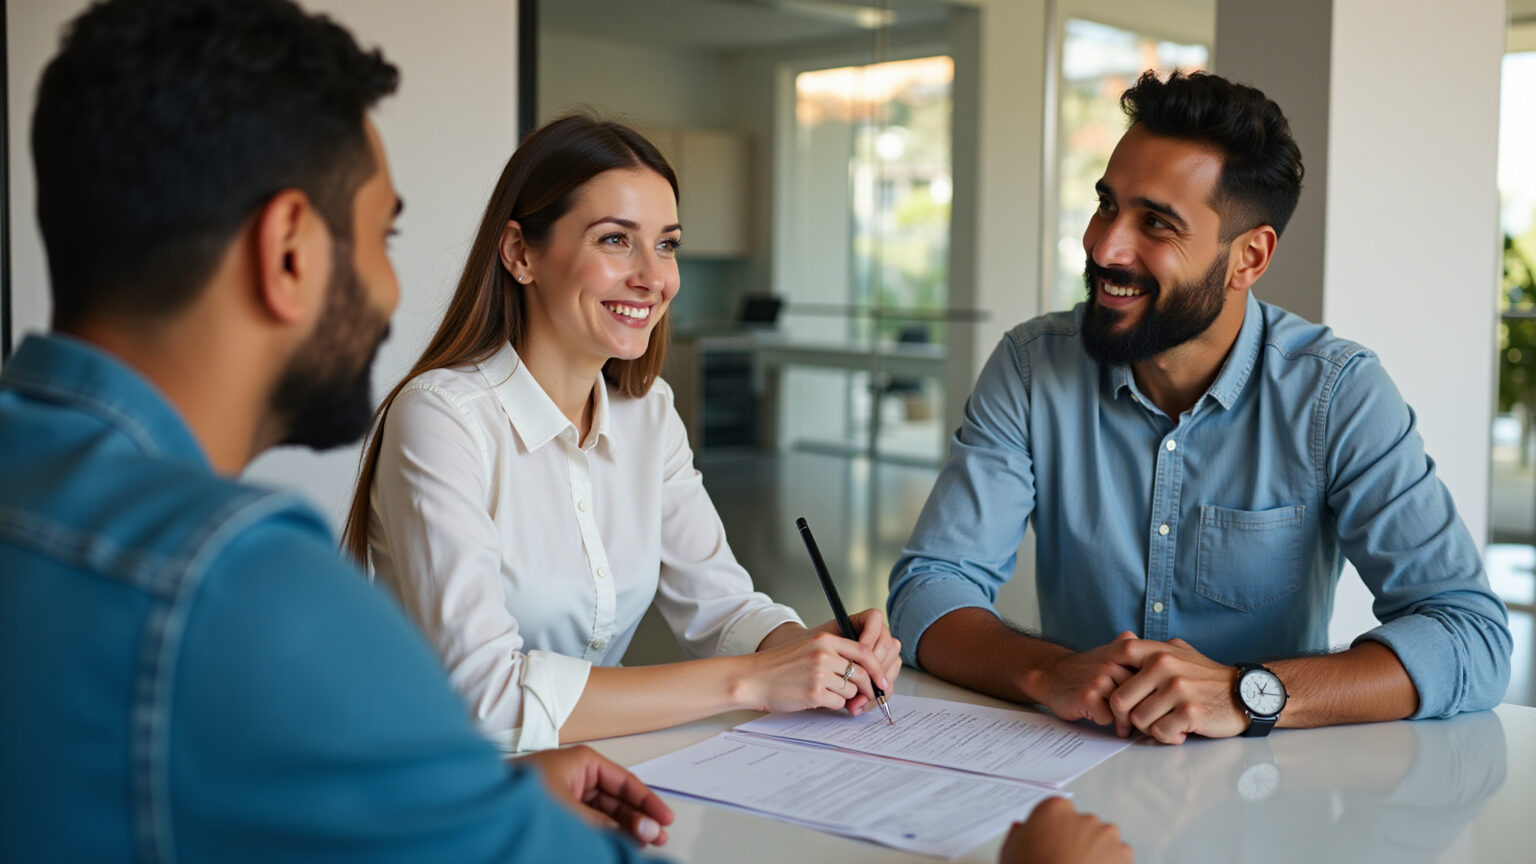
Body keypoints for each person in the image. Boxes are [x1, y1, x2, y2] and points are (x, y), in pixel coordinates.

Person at [0, 1, 672, 859]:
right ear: (288, 251)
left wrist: (458, 790)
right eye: (383, 236)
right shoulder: (239, 588)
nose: (391, 289)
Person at [887, 69, 1512, 745]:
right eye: (1106, 205)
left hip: (1267, 782)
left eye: (1156, 222)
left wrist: (1247, 692)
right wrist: (1051, 673)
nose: (1103, 246)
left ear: (1249, 257)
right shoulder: (1031, 366)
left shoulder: (1338, 394)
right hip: (1073, 765)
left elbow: (1470, 636)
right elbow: (931, 587)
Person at [343, 114, 903, 753]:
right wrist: (752, 680)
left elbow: (722, 607)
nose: (654, 277)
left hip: (587, 770)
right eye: (615, 240)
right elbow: (485, 696)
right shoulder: (441, 419)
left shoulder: (648, 412)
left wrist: (810, 650)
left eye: (667, 244)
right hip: (432, 781)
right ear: (520, 253)